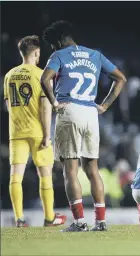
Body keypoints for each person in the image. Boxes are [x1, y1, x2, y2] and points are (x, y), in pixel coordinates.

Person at [41, 20, 126, 232]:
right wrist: (105, 105)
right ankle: (101, 221)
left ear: (60, 40)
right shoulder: (95, 55)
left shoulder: (59, 55)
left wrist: (54, 103)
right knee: (92, 170)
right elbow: (120, 78)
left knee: (70, 171)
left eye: (54, 44)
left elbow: (45, 79)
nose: (53, 48)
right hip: (91, 113)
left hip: (69, 110)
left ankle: (79, 222)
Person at [4, 35, 66, 227]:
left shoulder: (9, 75)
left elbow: (8, 104)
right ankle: (49, 217)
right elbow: (46, 107)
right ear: (37, 53)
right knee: (45, 174)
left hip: (16, 132)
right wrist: (47, 135)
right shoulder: (41, 75)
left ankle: (19, 219)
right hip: (38, 131)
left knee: (16, 175)